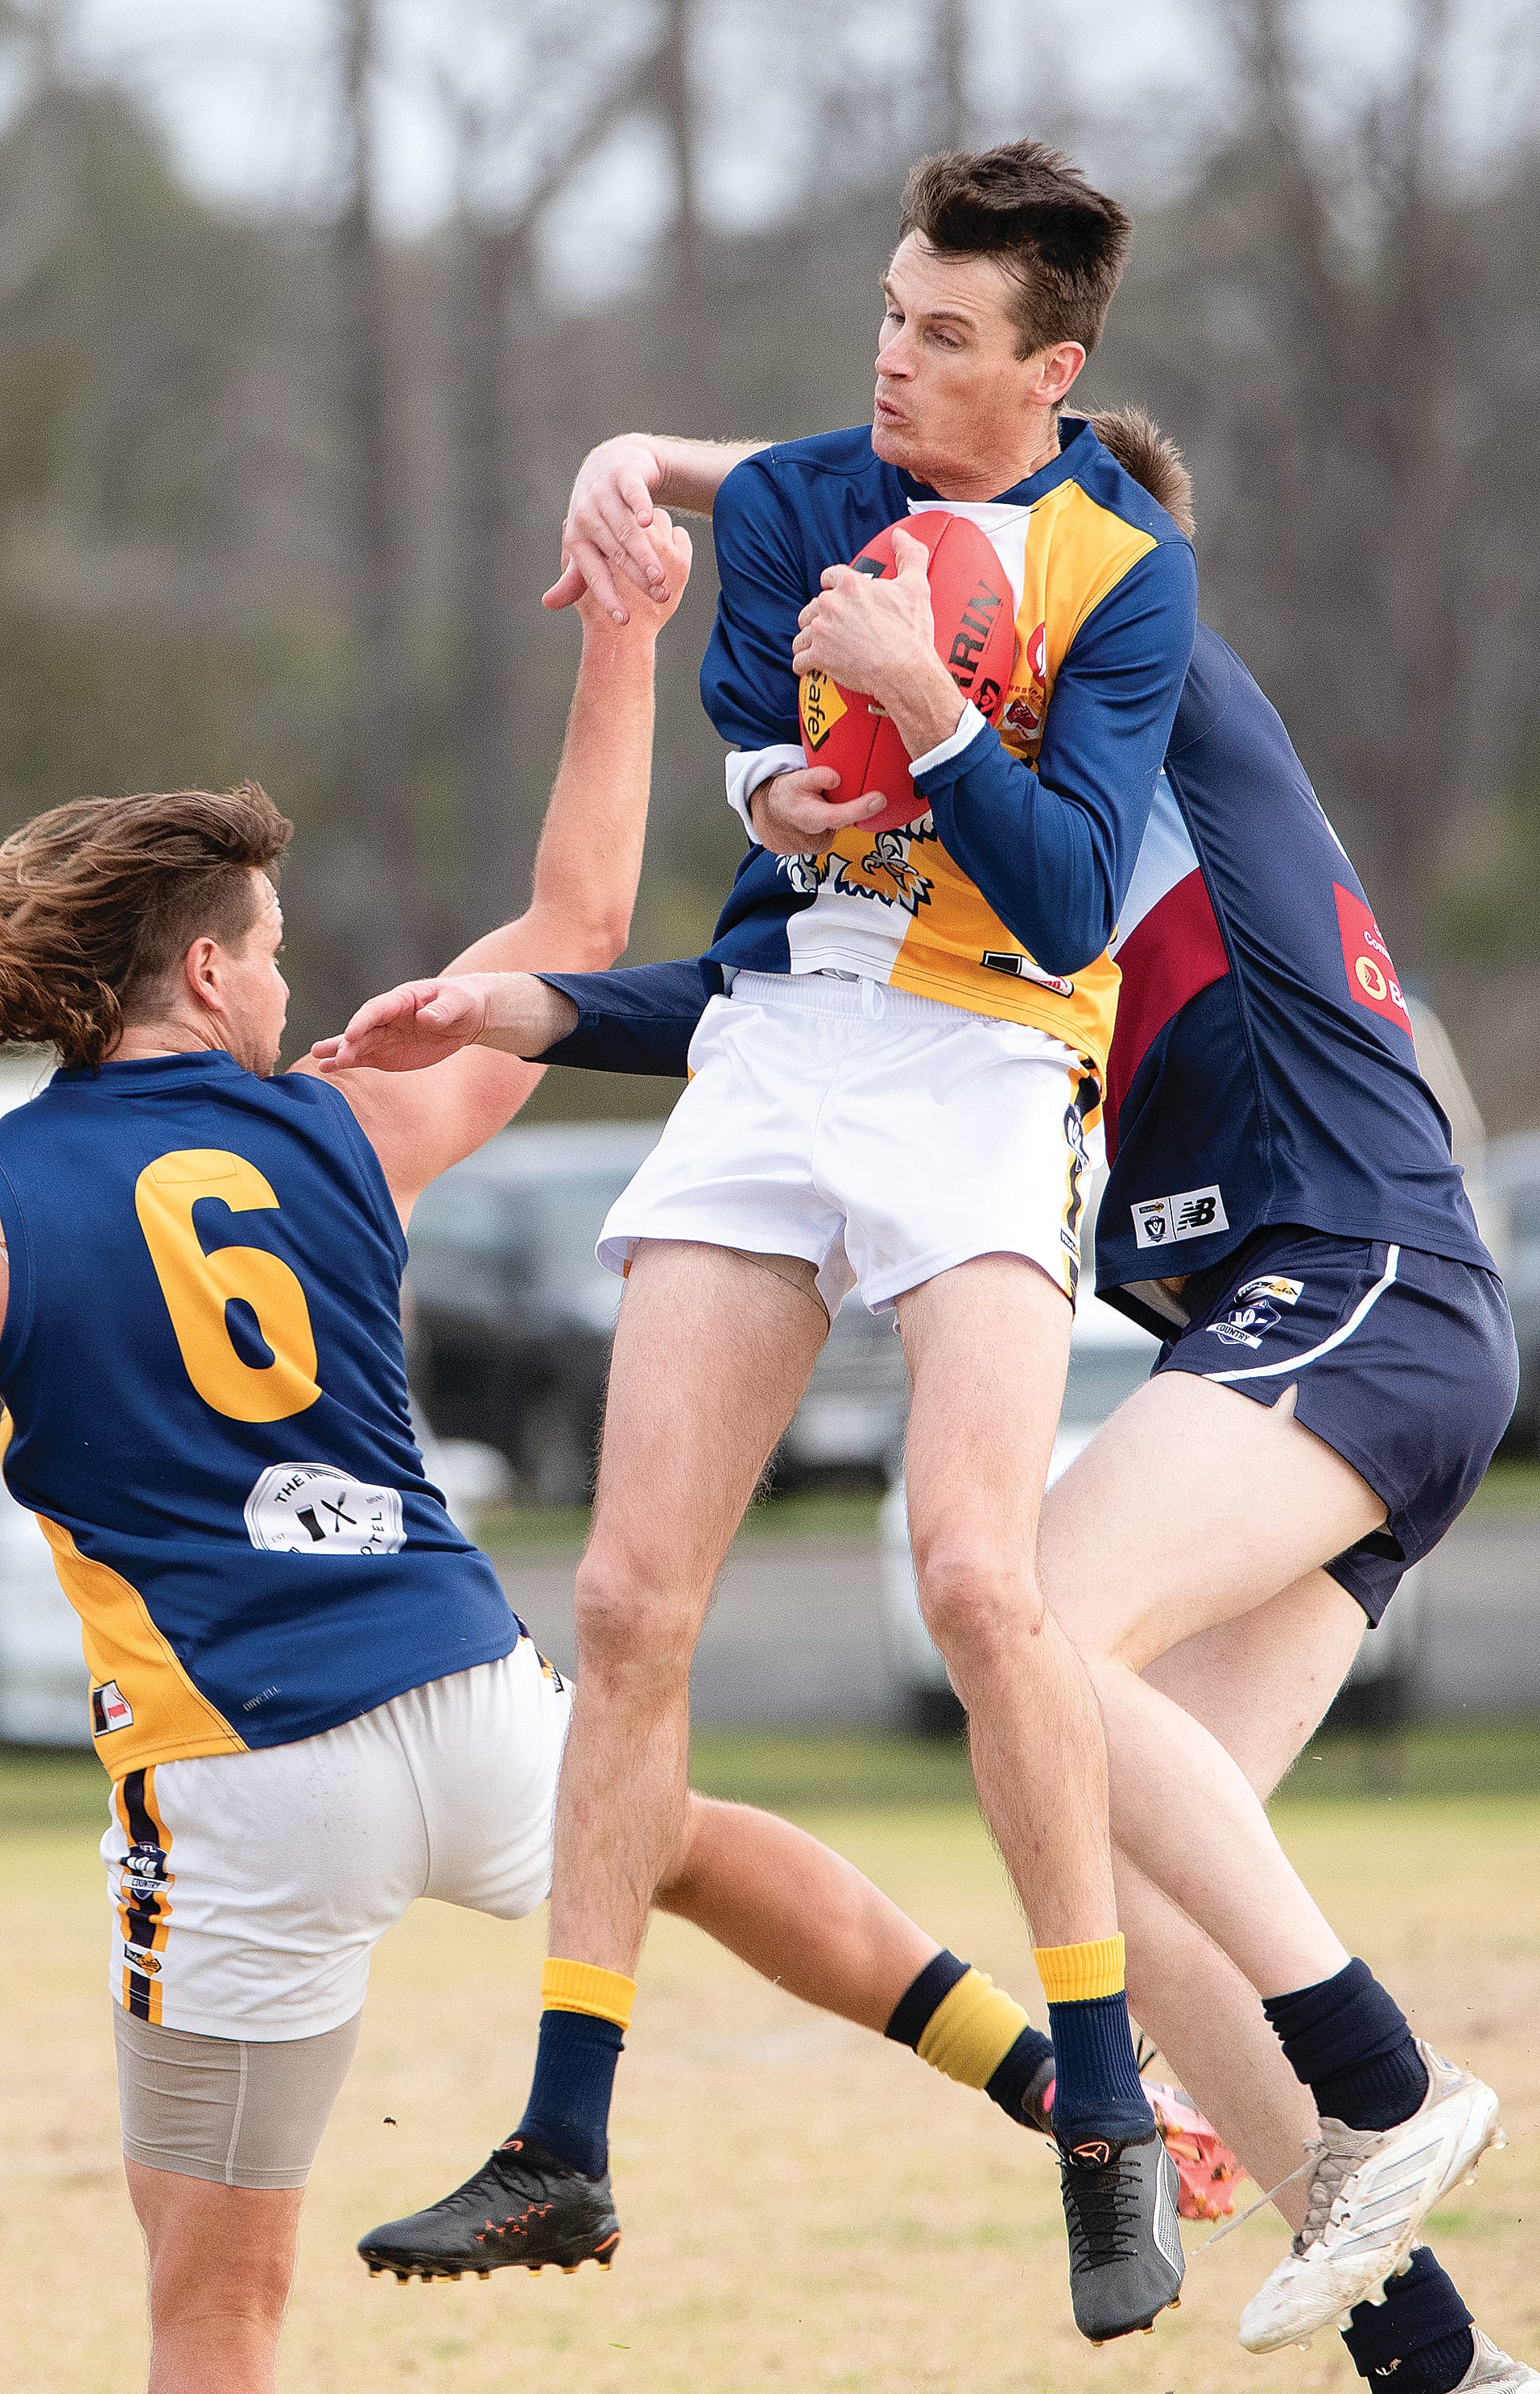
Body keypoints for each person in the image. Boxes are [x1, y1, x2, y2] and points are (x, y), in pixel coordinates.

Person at [327, 415, 1527, 2394]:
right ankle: (1436, 2355)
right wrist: (548, 1002)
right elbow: (786, 982)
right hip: (1314, 1338)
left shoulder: (1155, 686)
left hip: (1365, 1281)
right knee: (1117, 1836)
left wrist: (670, 458)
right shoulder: (986, 839)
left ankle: (1387, 2077)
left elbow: (1007, 524)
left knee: (1026, 1616)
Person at [0, 522, 1083, 2394]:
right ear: (202, 967)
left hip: (241, 1763)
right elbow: (577, 930)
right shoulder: (337, 1126)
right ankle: (1045, 2064)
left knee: (210, 2309)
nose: (292, 976)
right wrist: (628, 642)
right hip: (471, 1697)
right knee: (673, 1839)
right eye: (270, 949)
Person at [334, 136, 1202, 2347]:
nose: (897, 364)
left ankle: (1101, 2108)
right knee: (625, 1597)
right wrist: (784, 791)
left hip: (998, 1061)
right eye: (890, 317)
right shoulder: (815, 488)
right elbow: (751, 752)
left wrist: (922, 698)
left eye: (944, 337)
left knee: (981, 1577)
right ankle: (563, 2136)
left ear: (1053, 368)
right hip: (790, 1043)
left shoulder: (1123, 566)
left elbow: (1075, 893)